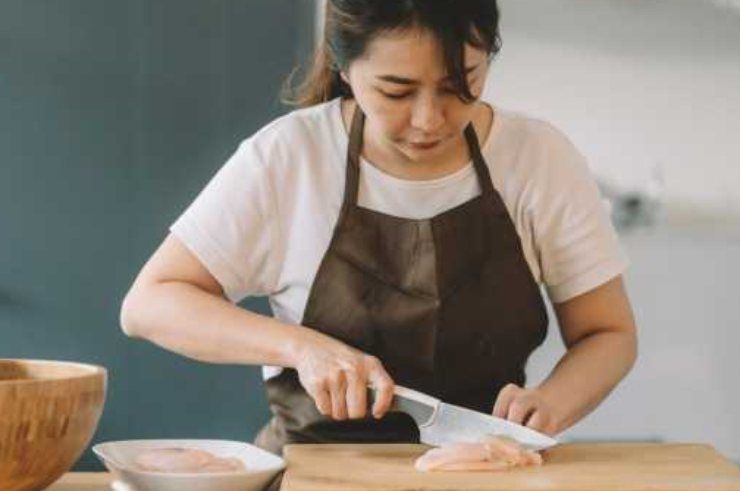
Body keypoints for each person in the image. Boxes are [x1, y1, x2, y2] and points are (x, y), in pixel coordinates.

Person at [120, 0, 638, 459]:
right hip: (316, 474)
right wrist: (301, 348)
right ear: (345, 67)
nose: (429, 119)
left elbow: (608, 333)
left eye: (463, 85)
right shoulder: (289, 157)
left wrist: (550, 405)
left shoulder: (537, 159)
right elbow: (150, 303)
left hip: (488, 470)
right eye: (397, 91)